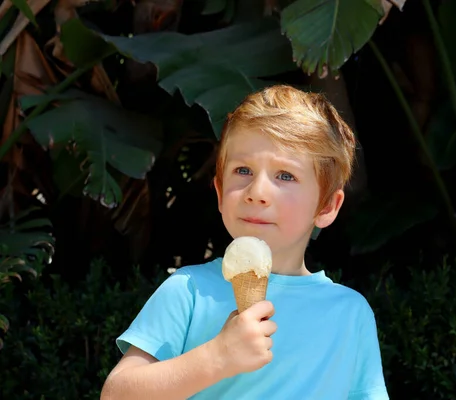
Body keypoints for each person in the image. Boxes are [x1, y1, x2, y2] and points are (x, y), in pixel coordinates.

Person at [100, 85, 389, 399]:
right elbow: (117, 394)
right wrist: (217, 357)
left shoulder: (349, 314)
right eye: (243, 170)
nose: (257, 191)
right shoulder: (189, 291)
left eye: (285, 176)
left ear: (327, 206)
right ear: (221, 192)